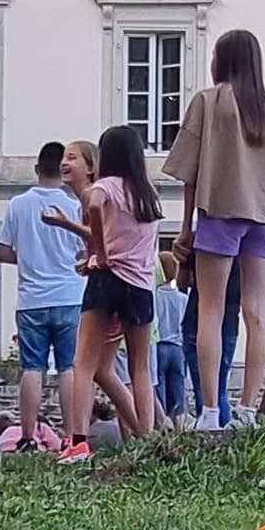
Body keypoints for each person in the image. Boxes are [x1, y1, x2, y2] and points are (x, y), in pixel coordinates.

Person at [165, 29, 265, 428]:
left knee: (209, 312)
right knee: (256, 313)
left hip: (220, 212)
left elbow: (188, 171)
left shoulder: (208, 103)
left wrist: (185, 227)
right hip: (264, 218)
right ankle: (248, 409)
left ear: (222, 59)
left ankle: (211, 410)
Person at [48, 124, 161, 462]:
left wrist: (99, 252)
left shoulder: (106, 186)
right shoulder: (148, 195)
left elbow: (95, 205)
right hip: (140, 287)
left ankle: (78, 440)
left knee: (83, 363)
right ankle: (149, 438)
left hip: (107, 280)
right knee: (141, 368)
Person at [0, 143, 87, 451]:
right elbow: (85, 250)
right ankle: (71, 436)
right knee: (68, 368)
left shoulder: (18, 205)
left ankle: (26, 436)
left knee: (32, 367)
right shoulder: (74, 206)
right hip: (69, 295)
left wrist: (29, 258)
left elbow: (3, 251)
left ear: (37, 169)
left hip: (31, 298)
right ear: (63, 170)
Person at [179, 249, 241, 429]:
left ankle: (209, 432)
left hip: (197, 322)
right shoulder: (246, 243)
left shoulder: (207, 239)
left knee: (204, 389)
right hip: (229, 324)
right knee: (221, 389)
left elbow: (182, 284)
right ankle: (225, 434)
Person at [154, 253, 191, 425]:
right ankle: (179, 429)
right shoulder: (184, 299)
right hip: (178, 349)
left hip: (159, 347)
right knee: (178, 392)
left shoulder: (154, 297)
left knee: (158, 390)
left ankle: (162, 427)